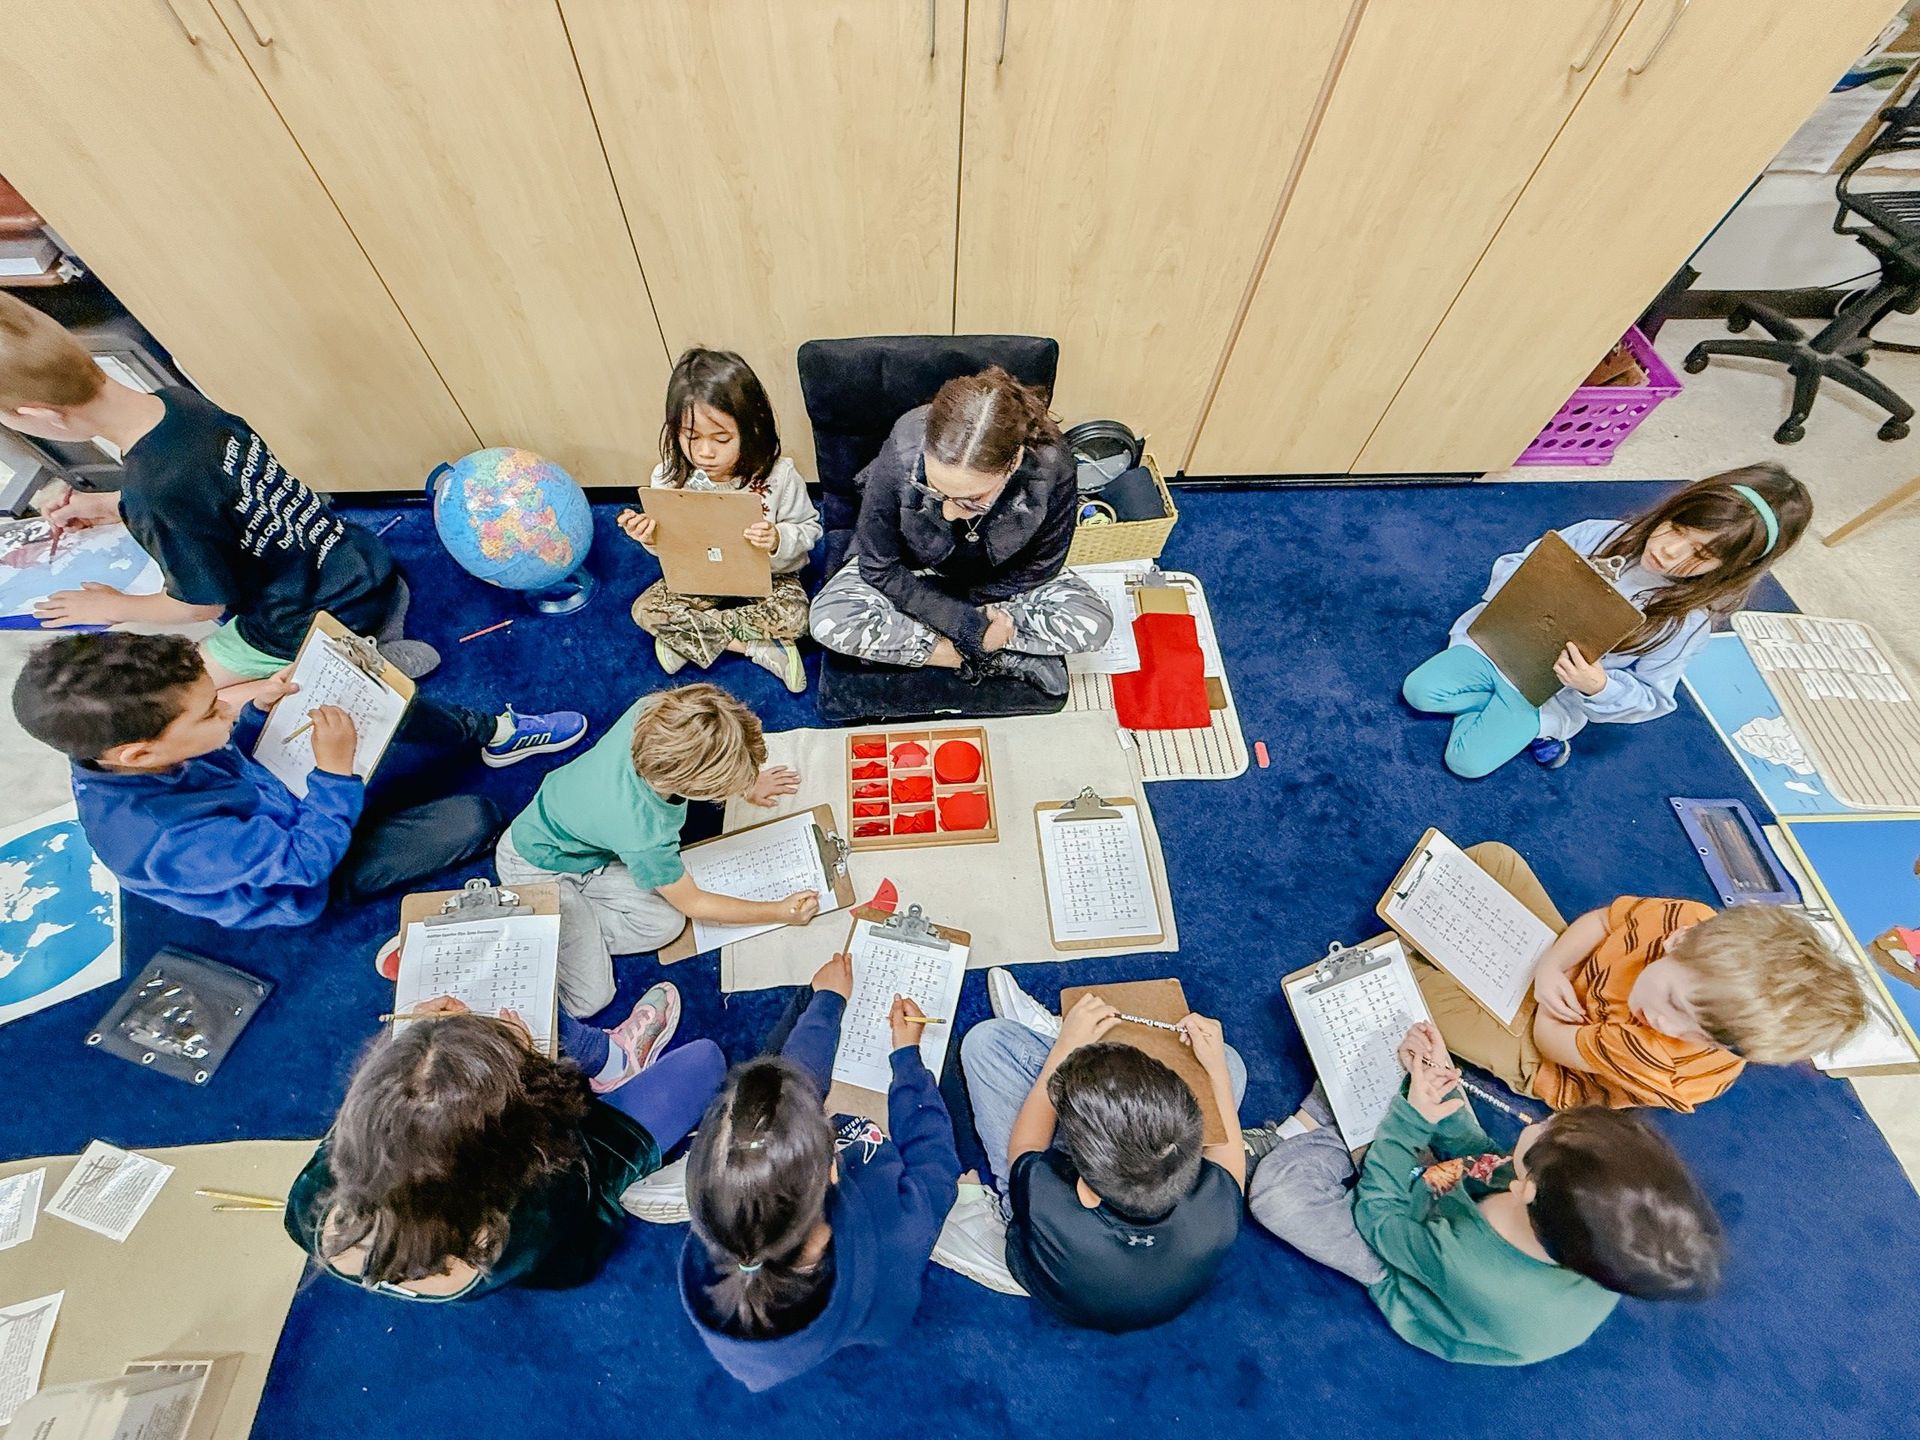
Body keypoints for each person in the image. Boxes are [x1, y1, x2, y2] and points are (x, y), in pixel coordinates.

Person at [0, 292, 482, 701]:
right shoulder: (176, 402)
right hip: (355, 561)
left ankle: (350, 667)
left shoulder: (155, 493)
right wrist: (109, 506)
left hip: (297, 620)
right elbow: (221, 494)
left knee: (185, 697)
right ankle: (375, 616)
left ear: (40, 416)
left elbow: (199, 606)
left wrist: (112, 607)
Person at [8, 632, 573, 927]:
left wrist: (259, 714)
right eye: (210, 712)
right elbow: (304, 863)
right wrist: (333, 774)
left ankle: (492, 731)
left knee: (385, 703)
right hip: (308, 875)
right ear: (138, 754)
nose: (227, 709)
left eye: (217, 696)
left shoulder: (126, 753)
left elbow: (233, 756)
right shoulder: (166, 840)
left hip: (279, 790)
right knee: (475, 817)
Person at [1247, 1022, 1724, 1366]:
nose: (1536, 1119)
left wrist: (1407, 1124)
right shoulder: (1582, 1218)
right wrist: (1441, 1081)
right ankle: (1368, 1129)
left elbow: (1380, 1217)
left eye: (1543, 1126)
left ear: (1524, 1189)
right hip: (1472, 1225)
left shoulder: (1467, 1261)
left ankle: (1336, 1134)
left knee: (1279, 1198)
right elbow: (1482, 1156)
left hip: (1420, 1274)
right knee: (1405, 1096)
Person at [284, 986, 725, 1302]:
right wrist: (533, 1065)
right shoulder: (525, 1219)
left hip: (520, 1221)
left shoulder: (307, 1211)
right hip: (576, 1202)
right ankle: (634, 1170)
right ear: (505, 1149)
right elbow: (570, 1152)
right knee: (706, 1060)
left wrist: (425, 1050)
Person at [1402, 465, 1811, 776]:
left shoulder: (1687, 623)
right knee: (1419, 692)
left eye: (1700, 555)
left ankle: (1538, 728)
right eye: (1676, 529)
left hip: (1549, 694)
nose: (1670, 551)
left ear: (1730, 569)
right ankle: (1515, 726)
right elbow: (1518, 563)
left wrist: (1598, 686)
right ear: (1669, 511)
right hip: (1498, 648)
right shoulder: (1599, 535)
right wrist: (1521, 591)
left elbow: (1653, 698)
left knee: (1466, 761)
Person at [679, 950, 961, 1391]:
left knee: (777, 1047)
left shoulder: (720, 1225)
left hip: (812, 1328)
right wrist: (908, 1060)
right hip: (871, 1301)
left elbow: (792, 1089)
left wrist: (827, 1001)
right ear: (832, 1171)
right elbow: (936, 1160)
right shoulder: (897, 1230)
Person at [1412, 843, 1867, 1113]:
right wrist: (1551, 966)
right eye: (1673, 1001)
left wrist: (1544, 994)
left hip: (1556, 1051)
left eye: (1703, 1037)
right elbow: (1604, 921)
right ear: (1678, 940)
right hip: (1575, 982)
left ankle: (1416, 958)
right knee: (1496, 859)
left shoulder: (1660, 1055)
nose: (1668, 1026)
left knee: (1417, 989)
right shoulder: (1688, 919)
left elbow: (1550, 1043)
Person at [495, 683, 819, 1017]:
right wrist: (779, 912)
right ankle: (549, 932)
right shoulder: (644, 833)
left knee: (666, 923)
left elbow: (705, 740)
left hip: (579, 849)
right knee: (591, 998)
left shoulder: (654, 710)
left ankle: (574, 928)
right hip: (533, 870)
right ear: (685, 784)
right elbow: (694, 903)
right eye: (722, 789)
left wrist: (745, 780)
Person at [960, 969, 1255, 1332]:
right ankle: (1083, 1056)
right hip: (1130, 1232)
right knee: (1228, 1063)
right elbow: (1229, 1157)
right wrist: (1215, 1070)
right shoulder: (1217, 1214)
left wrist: (1066, 1048)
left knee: (986, 1043)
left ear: (1084, 1190)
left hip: (1047, 1239)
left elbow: (1026, 1146)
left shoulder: (1047, 1199)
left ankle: (1061, 1044)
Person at [808, 366, 1112, 698]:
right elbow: (877, 565)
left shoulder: (1051, 463)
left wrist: (968, 610)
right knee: (828, 619)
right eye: (933, 490)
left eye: (972, 500)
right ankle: (990, 657)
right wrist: (962, 624)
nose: (949, 513)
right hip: (911, 572)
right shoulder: (905, 444)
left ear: (1013, 463)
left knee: (1094, 622)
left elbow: (1042, 566)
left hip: (999, 580)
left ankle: (930, 644)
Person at [618, 348, 822, 693]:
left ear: (751, 429)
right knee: (646, 610)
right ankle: (756, 646)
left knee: (798, 617)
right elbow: (671, 552)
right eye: (691, 437)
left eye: (721, 439)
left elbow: (810, 529)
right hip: (699, 576)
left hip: (769, 576)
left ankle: (687, 636)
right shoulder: (667, 476)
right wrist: (652, 539)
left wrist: (778, 538)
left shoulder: (780, 476)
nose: (705, 452)